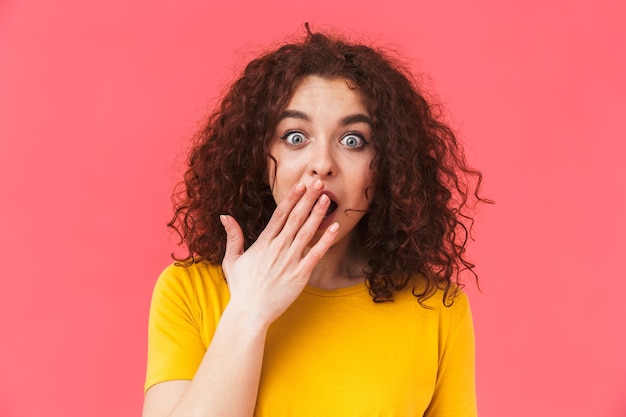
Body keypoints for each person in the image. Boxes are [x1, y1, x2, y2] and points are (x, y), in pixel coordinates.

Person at [143, 24, 489, 417]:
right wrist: (249, 311)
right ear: (257, 158)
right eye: (294, 137)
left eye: (353, 140)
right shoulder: (190, 291)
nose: (322, 164)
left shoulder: (437, 309)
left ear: (387, 168)